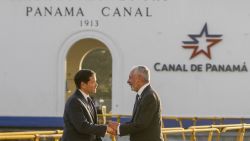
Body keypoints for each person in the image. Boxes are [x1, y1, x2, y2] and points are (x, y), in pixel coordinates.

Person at [109, 65, 164, 141]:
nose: (128, 81)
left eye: (130, 77)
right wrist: (119, 125)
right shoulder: (142, 95)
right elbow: (136, 122)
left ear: (139, 79)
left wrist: (118, 128)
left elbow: (141, 124)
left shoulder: (149, 96)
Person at [62, 69, 114, 141]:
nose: (96, 84)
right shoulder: (74, 101)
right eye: (93, 82)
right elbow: (82, 126)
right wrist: (105, 128)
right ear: (83, 84)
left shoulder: (88, 99)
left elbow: (94, 129)